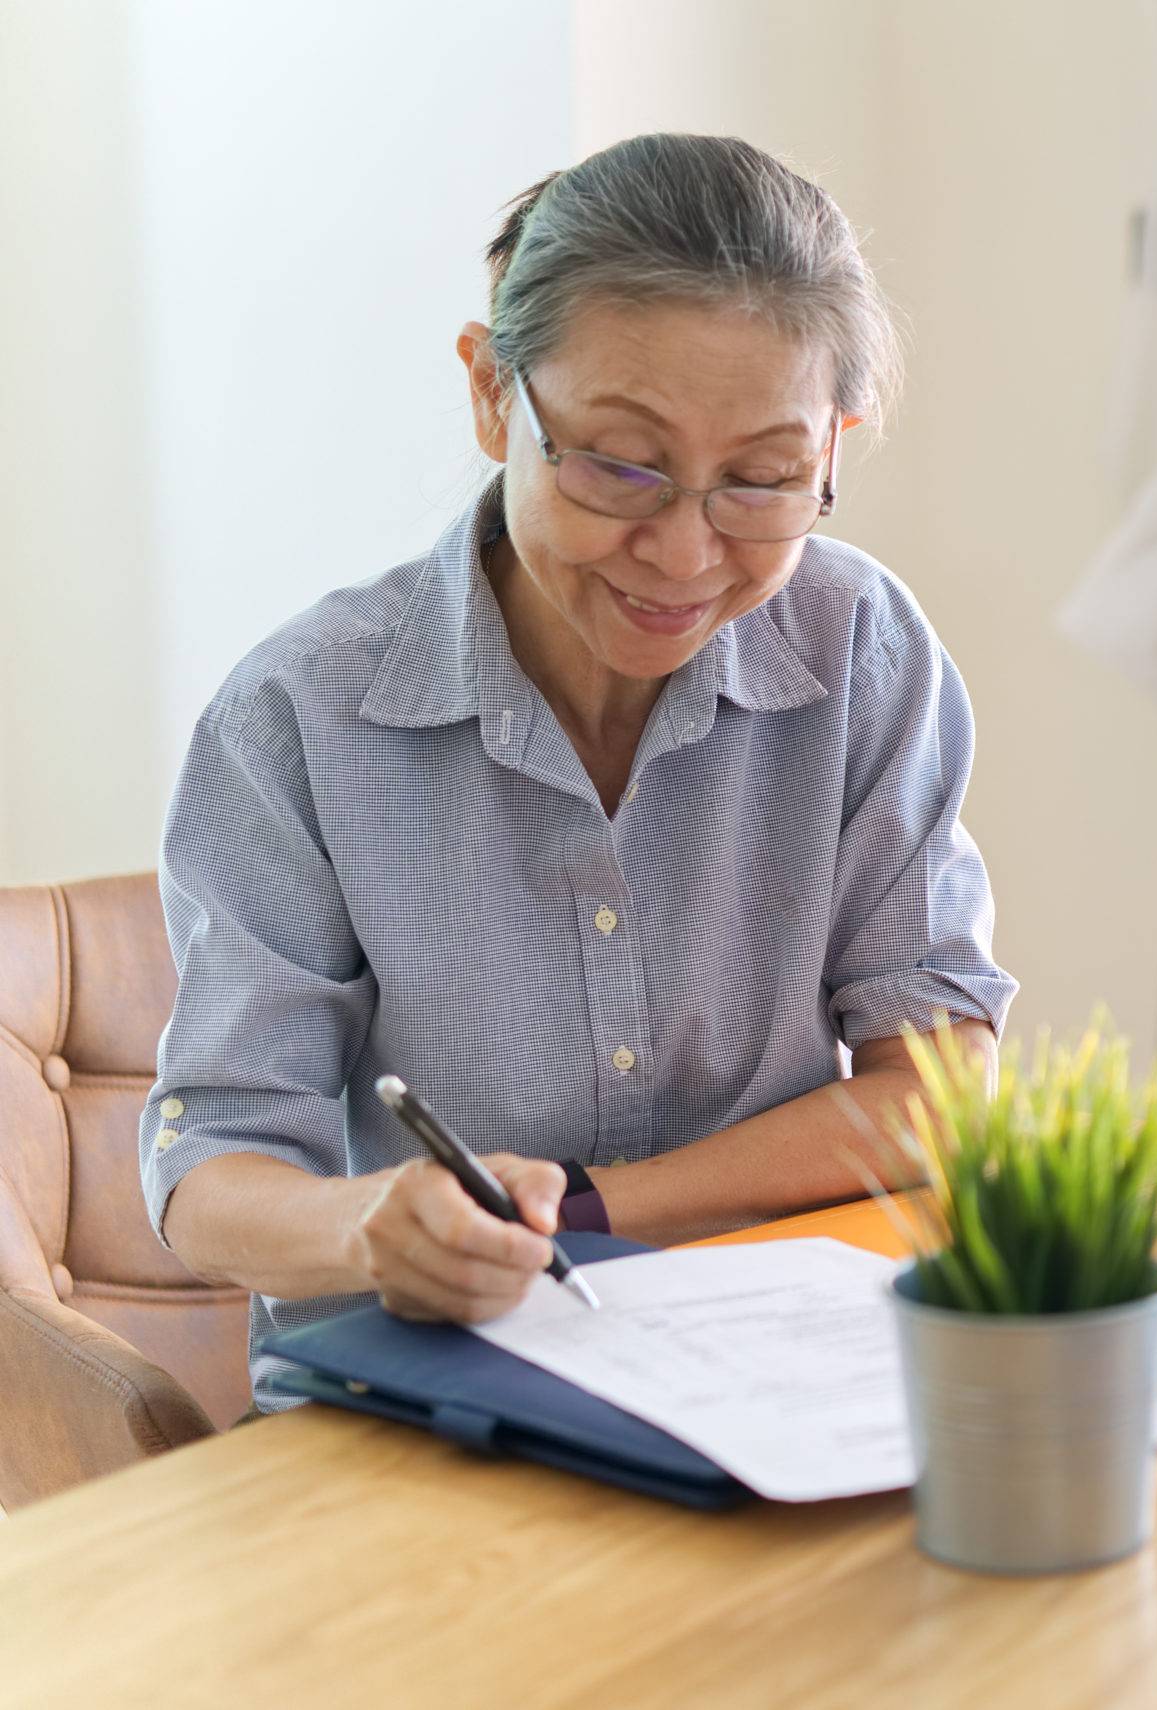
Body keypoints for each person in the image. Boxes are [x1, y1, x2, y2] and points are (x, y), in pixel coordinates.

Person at [143, 135, 1016, 1412]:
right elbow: (208, 1171)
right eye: (618, 464)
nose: (681, 552)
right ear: (494, 393)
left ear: (834, 445)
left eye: (764, 481)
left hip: (773, 1362)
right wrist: (375, 1226)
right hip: (425, 1395)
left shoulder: (861, 649)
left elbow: (936, 1093)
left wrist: (587, 1213)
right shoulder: (301, 712)